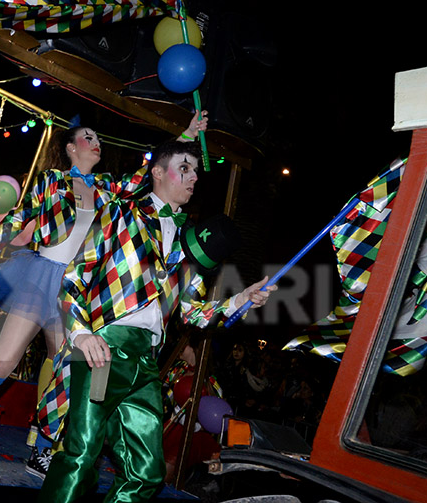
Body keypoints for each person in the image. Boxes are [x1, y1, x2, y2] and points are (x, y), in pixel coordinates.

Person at [0, 118, 208, 477]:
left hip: (77, 291)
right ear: (70, 147)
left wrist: (185, 136)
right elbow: (17, 222)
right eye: (88, 136)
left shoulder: (109, 190)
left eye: (98, 137)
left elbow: (152, 173)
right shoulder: (51, 180)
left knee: (68, 371)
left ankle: (45, 451)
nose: (96, 141)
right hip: (41, 279)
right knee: (4, 361)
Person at [37, 138, 277, 503]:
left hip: (146, 364)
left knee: (147, 473)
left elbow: (193, 312)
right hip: (104, 349)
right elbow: (73, 278)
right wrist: (82, 334)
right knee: (80, 455)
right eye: (185, 168)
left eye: (196, 171)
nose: (194, 177)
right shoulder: (120, 213)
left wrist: (241, 300)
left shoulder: (187, 245)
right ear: (157, 173)